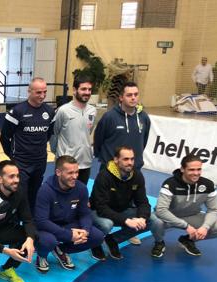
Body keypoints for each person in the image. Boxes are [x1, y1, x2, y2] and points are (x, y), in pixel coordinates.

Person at [93, 81, 151, 246]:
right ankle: (100, 232)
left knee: (131, 202)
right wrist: (105, 158)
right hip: (111, 168)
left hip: (133, 169)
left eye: (136, 94)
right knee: (106, 203)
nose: (133, 98)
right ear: (121, 97)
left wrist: (135, 159)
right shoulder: (110, 117)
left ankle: (128, 231)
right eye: (129, 95)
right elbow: (98, 139)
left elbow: (144, 140)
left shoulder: (143, 117)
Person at [90, 146, 162, 260]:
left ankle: (112, 240)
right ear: (116, 159)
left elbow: (143, 202)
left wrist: (142, 218)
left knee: (151, 219)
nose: (130, 163)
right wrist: (126, 220)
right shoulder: (104, 176)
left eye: (132, 159)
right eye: (126, 159)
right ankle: (95, 242)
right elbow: (101, 207)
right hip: (98, 212)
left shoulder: (137, 176)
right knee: (106, 224)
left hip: (121, 210)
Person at [34, 156, 104, 273]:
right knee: (47, 241)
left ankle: (61, 250)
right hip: (48, 228)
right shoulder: (45, 190)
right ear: (58, 172)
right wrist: (69, 235)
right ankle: (42, 255)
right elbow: (42, 221)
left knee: (97, 237)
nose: (75, 176)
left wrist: (85, 230)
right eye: (70, 173)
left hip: (69, 225)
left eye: (76, 172)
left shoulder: (81, 188)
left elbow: (85, 214)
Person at [149, 155, 217, 258]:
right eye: (191, 169)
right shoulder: (170, 184)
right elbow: (161, 210)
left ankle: (187, 240)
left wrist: (205, 227)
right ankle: (159, 242)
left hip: (191, 216)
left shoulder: (208, 185)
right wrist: (186, 226)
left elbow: (213, 209)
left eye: (199, 169)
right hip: (167, 217)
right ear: (182, 169)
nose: (196, 173)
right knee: (156, 222)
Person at [0, 77, 55, 214]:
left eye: (44, 92)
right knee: (19, 195)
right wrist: (13, 158)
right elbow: (4, 137)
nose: (42, 96)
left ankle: (31, 222)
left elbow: (48, 135)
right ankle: (14, 221)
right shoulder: (17, 111)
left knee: (34, 193)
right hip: (21, 163)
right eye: (38, 92)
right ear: (29, 91)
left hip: (40, 161)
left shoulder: (49, 112)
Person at [50, 75, 96, 184]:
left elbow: (87, 132)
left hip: (85, 162)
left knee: (80, 194)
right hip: (66, 164)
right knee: (61, 196)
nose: (87, 92)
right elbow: (54, 134)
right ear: (75, 90)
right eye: (83, 89)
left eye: (89, 89)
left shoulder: (93, 111)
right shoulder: (63, 110)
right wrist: (59, 156)